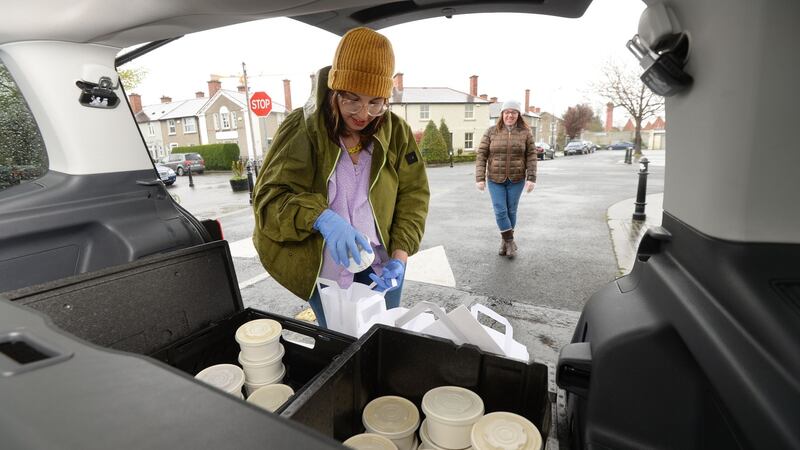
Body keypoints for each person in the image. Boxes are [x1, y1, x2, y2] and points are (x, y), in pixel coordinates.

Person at [251, 27, 430, 328]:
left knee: (383, 341)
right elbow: (268, 202)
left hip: (382, 267)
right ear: (335, 89)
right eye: (352, 99)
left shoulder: (395, 131)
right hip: (327, 272)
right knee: (340, 346)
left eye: (376, 101)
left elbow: (413, 195)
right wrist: (321, 217)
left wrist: (400, 256)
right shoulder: (302, 128)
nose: (364, 113)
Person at [475, 100, 537, 258]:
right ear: (502, 114)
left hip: (517, 179)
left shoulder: (525, 133)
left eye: (513, 112)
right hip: (495, 178)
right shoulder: (491, 132)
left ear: (518, 115)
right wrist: (480, 178)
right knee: (500, 210)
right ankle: (510, 242)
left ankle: (505, 242)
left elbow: (531, 156)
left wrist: (531, 178)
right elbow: (481, 155)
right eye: (507, 112)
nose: (510, 115)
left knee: (511, 211)